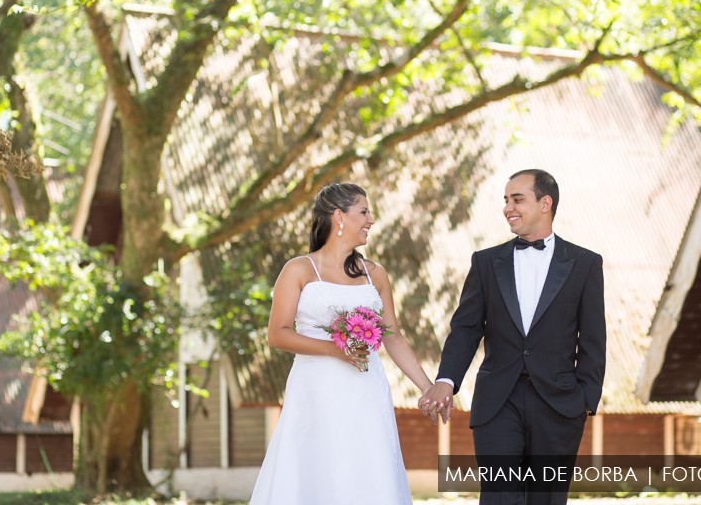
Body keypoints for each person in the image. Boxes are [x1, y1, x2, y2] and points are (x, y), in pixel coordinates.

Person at [420, 169, 606, 504]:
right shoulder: (486, 262)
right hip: (497, 401)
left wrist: (584, 400)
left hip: (559, 404)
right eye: (506, 200)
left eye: (517, 198)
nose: (508, 207)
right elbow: (466, 328)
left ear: (545, 203)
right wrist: (447, 379)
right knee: (499, 496)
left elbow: (593, 339)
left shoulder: (585, 264)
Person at [250, 182, 433, 505]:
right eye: (364, 211)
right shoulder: (299, 270)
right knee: (318, 465)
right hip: (316, 389)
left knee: (366, 464)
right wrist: (335, 350)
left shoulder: (374, 274)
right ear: (339, 216)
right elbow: (277, 333)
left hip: (366, 388)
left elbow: (393, 337)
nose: (371, 220)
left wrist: (426, 387)